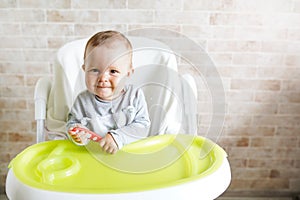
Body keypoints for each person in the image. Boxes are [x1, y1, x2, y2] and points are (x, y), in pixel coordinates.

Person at [66, 30, 151, 154]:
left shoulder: (134, 96)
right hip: (94, 156)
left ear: (128, 72)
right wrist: (77, 134)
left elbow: (143, 127)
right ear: (84, 69)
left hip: (130, 155)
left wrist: (117, 137)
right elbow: (72, 124)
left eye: (113, 71)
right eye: (95, 70)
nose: (103, 78)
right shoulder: (82, 101)